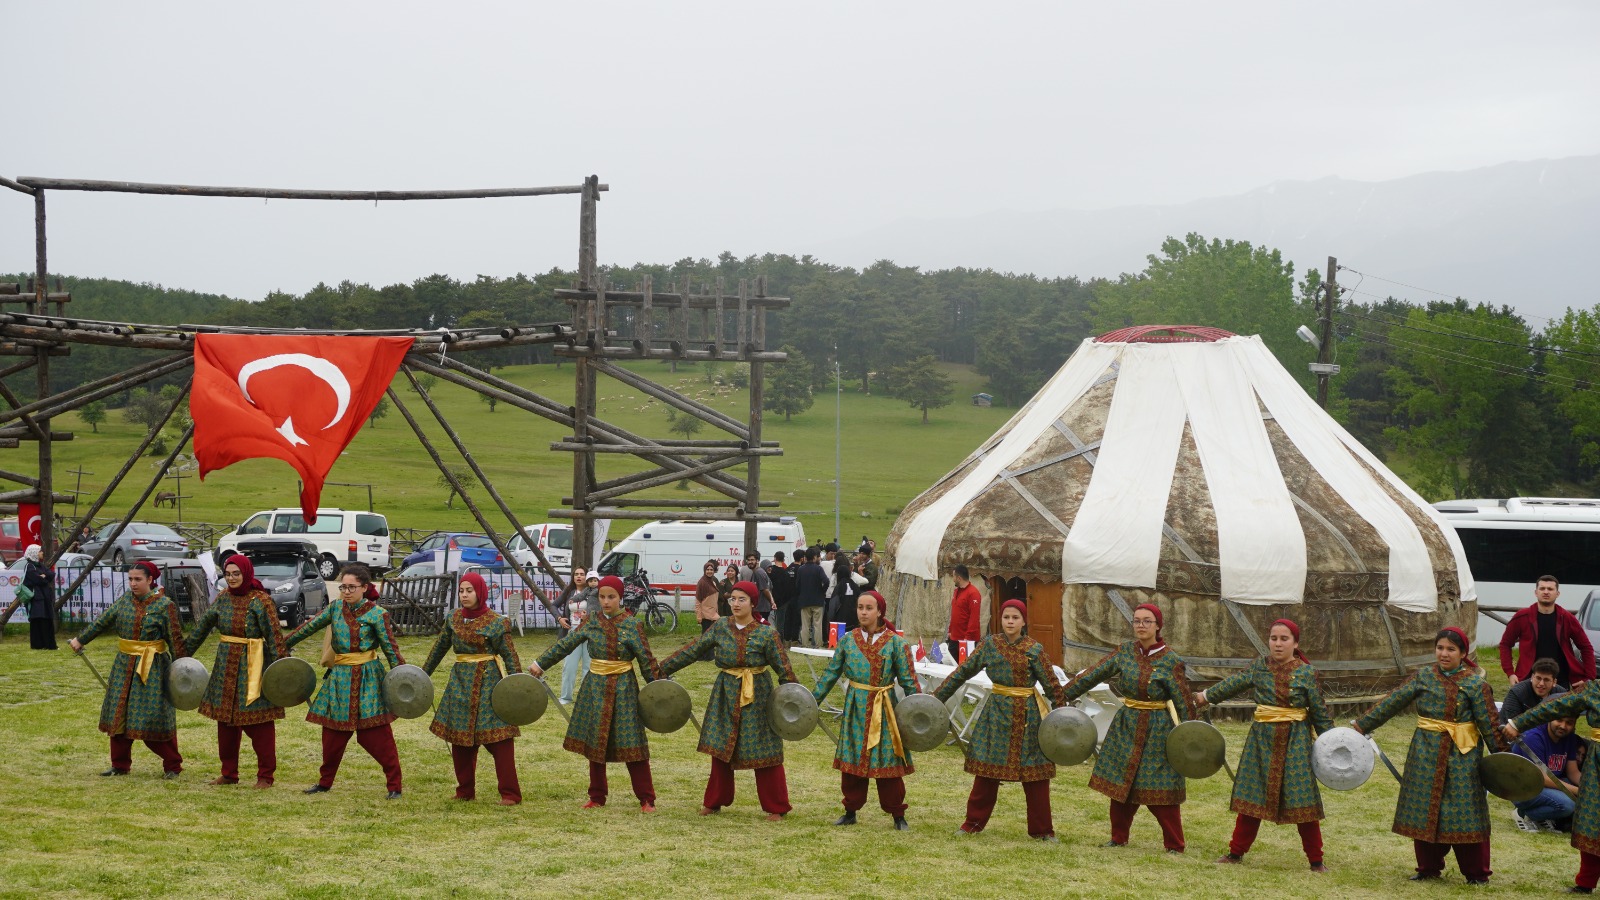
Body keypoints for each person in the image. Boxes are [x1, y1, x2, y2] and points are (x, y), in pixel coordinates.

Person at [1352, 627, 1500, 885]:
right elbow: (1393, 701)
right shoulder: (1424, 677)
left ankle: (1476, 873)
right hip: (1425, 753)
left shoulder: (1476, 685)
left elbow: (1489, 724)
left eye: (1451, 649)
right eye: (1440, 648)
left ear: (1463, 653)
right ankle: (1428, 867)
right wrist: (1362, 725)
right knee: (1424, 808)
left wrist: (1505, 761)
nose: (1444, 654)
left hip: (1463, 757)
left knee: (1465, 811)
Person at [1194, 619, 1334, 871]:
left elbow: (1319, 712)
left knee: (1303, 800)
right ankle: (1235, 853)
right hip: (1261, 742)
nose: (1278, 644)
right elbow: (1234, 683)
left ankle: (1316, 860)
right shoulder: (1260, 667)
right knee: (1252, 796)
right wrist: (1204, 697)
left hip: (1295, 743)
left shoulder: (1306, 673)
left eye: (1284, 639)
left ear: (1295, 643)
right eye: (1273, 638)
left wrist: (1333, 744)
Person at [1061, 603, 1194, 852]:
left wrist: (1191, 735)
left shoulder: (1171, 660)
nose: (1141, 625)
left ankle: (1174, 844)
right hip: (1127, 725)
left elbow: (1183, 700)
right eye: (1137, 621)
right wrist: (1061, 694)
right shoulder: (1124, 652)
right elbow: (1094, 674)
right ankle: (1118, 837)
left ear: (1158, 626)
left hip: (1158, 729)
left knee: (1160, 785)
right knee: (1121, 784)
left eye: (1147, 621)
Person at [659, 580, 798, 820]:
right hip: (725, 693)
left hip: (758, 695)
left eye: (742, 599)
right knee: (721, 746)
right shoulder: (721, 626)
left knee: (765, 749)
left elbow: (784, 669)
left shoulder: (767, 633)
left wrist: (796, 700)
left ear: (753, 603)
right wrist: (661, 669)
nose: (736, 603)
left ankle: (777, 806)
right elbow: (694, 649)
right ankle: (715, 801)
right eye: (733, 599)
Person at [529, 575, 662, 811]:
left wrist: (662, 689)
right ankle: (597, 796)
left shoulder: (633, 625)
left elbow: (647, 661)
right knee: (595, 742)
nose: (606, 601)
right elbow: (566, 644)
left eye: (611, 597)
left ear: (620, 597)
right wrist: (541, 663)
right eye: (602, 596)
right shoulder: (591, 621)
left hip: (624, 688)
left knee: (633, 743)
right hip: (595, 688)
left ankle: (646, 798)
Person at [934, 598, 1063, 840]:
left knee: (1035, 775)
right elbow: (963, 672)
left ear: (1023, 621)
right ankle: (972, 823)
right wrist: (936, 698)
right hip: (996, 714)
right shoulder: (989, 645)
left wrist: (1064, 717)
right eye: (1006, 617)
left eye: (1015, 617)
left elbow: (1052, 686)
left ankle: (1043, 831)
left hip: (1028, 717)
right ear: (1000, 620)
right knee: (986, 772)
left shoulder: (1034, 650)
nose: (1010, 622)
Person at [285, 563, 406, 799]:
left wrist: (403, 679)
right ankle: (324, 782)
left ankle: (394, 785)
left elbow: (391, 649)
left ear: (365, 588)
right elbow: (308, 627)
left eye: (352, 587)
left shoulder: (377, 614)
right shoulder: (335, 608)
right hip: (340, 678)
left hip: (369, 678)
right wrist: (282, 644)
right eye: (343, 587)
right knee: (332, 735)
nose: (347, 591)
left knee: (377, 735)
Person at [68, 560, 188, 777]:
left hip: (152, 667)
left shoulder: (165, 605)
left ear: (150, 580)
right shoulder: (125, 600)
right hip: (124, 665)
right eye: (130, 579)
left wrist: (183, 671)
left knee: (153, 717)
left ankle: (173, 765)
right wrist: (81, 639)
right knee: (119, 712)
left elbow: (175, 640)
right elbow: (102, 621)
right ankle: (120, 765)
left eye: (138, 579)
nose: (133, 583)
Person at [812, 590, 920, 830]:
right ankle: (850, 810)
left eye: (869, 608)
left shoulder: (896, 643)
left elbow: (909, 681)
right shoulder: (847, 641)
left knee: (888, 760)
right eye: (860, 607)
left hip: (885, 708)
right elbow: (831, 673)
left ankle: (897, 814)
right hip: (856, 707)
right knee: (853, 759)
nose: (863, 612)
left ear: (880, 611)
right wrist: (811, 701)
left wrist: (922, 709)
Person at [183, 554, 286, 787]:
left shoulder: (261, 601)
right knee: (225, 723)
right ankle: (229, 773)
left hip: (253, 667)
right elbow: (202, 628)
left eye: (236, 574)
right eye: (228, 574)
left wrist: (283, 671)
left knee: (259, 724)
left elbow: (274, 638)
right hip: (225, 666)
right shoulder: (223, 598)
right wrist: (182, 654)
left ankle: (266, 775)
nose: (231, 578)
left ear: (246, 573)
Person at [421, 572, 523, 805]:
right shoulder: (453, 618)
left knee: (500, 740)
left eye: (470, 590)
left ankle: (510, 793)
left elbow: (510, 655)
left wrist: (517, 685)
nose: (464, 595)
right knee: (460, 739)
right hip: (459, 684)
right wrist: (421, 675)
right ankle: (465, 790)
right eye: (461, 591)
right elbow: (439, 649)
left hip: (489, 684)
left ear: (480, 592)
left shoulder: (497, 622)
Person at [1505, 680, 1600, 893]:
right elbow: (1556, 706)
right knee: (1593, 821)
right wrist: (1518, 723)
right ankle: (1586, 882)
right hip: (1598, 763)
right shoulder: (1595, 689)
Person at [1500, 575, 1595, 690]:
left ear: (1557, 593)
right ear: (1536, 592)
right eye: (1542, 588)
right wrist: (1510, 673)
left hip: (1560, 680)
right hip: (1528, 678)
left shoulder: (1567, 618)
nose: (1546, 592)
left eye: (1550, 589)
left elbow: (1586, 647)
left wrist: (1589, 678)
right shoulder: (1522, 617)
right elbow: (1505, 644)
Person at [1509, 714, 1581, 832]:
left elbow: (1573, 772)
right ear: (1549, 717)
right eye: (1559, 720)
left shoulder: (1570, 738)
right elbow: (1542, 778)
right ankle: (1523, 813)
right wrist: (1578, 791)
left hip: (1548, 786)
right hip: (1524, 788)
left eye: (1569, 722)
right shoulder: (1533, 737)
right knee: (1568, 805)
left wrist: (1590, 788)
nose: (1563, 726)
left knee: (1576, 789)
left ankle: (1541, 817)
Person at [558, 567, 598, 704]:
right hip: (573, 631)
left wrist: (590, 616)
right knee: (569, 665)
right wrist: (559, 618)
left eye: (582, 574)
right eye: (576, 574)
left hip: (589, 631)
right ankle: (565, 697)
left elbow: (600, 611)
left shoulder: (596, 592)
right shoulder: (569, 592)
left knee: (588, 666)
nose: (579, 577)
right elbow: (553, 605)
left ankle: (585, 698)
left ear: (588, 577)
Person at [1501, 657, 1569, 721]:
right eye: (1538, 678)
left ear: (1554, 682)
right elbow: (1511, 723)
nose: (1541, 683)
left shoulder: (1561, 695)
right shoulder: (1517, 692)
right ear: (1532, 677)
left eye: (1546, 680)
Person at [22, 544, 57, 650]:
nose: (42, 553)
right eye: (39, 551)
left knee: (47, 619)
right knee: (38, 620)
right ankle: (38, 644)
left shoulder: (40, 565)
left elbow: (51, 574)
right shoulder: (29, 566)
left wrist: (44, 576)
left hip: (45, 596)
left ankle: (49, 644)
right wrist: (43, 577)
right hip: (36, 598)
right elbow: (37, 580)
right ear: (34, 553)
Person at [795, 550, 829, 648]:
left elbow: (797, 585)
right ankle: (818, 645)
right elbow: (826, 581)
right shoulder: (818, 569)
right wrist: (822, 591)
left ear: (805, 558)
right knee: (817, 625)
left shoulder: (801, 569)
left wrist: (801, 594)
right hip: (818, 600)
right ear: (814, 557)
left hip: (804, 600)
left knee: (805, 625)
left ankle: (805, 645)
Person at [947, 565, 981, 661]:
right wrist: (950, 631)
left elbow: (974, 618)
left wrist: (967, 638)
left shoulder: (973, 593)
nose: (953, 579)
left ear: (959, 578)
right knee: (951, 665)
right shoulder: (956, 591)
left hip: (967, 640)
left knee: (965, 666)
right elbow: (954, 613)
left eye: (953, 576)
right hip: (954, 637)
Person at [831, 552, 866, 632]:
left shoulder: (839, 587)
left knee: (840, 637)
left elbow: (833, 604)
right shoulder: (855, 585)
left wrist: (831, 618)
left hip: (840, 619)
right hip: (854, 619)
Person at [739, 552, 775, 623]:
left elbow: (765, 590)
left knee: (761, 628)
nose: (750, 562)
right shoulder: (757, 572)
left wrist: (772, 602)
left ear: (757, 561)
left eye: (752, 560)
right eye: (748, 560)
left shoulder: (759, 572)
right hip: (760, 608)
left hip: (761, 608)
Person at [694, 560, 720, 633]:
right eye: (707, 569)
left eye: (711, 570)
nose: (709, 571)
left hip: (713, 613)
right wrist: (699, 616)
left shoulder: (712, 582)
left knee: (713, 634)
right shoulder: (702, 583)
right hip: (705, 615)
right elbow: (698, 601)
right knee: (706, 634)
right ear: (704, 570)